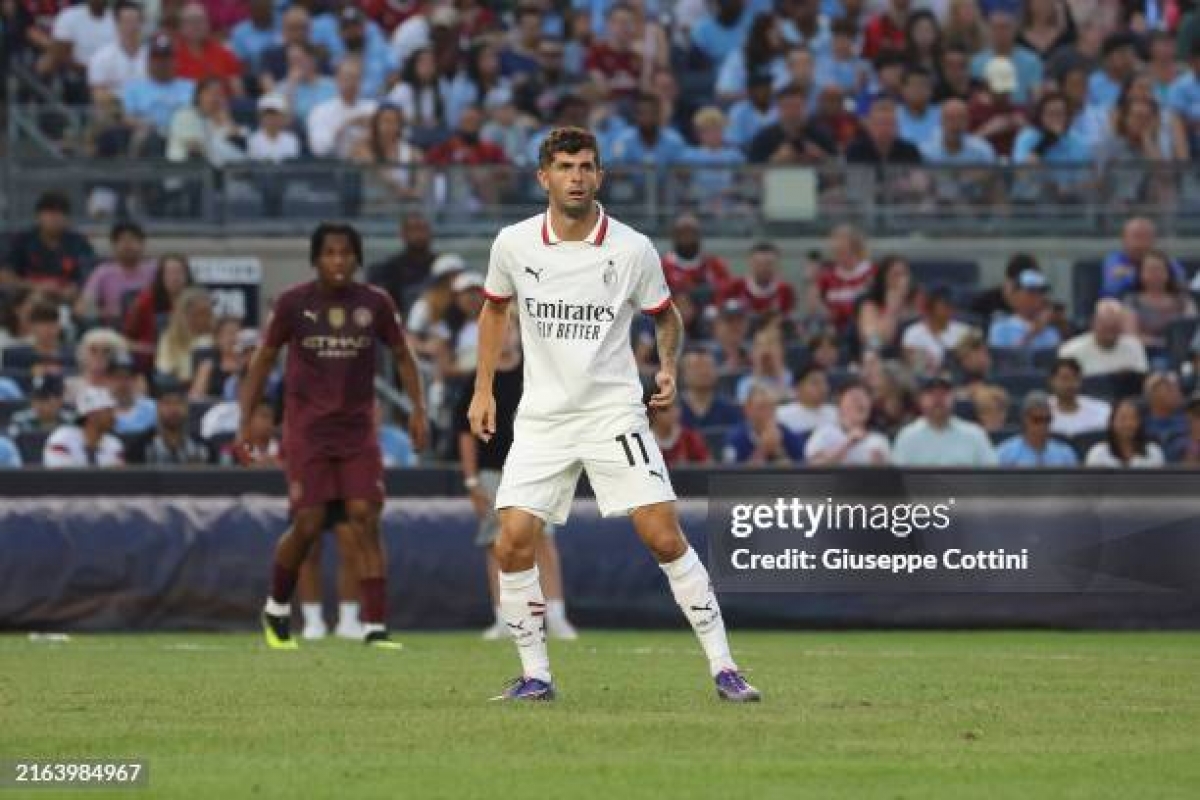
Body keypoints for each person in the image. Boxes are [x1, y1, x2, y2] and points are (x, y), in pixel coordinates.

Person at [467, 127, 759, 702]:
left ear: (600, 176)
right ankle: (536, 676)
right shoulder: (513, 244)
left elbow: (665, 315)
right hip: (544, 420)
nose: (575, 176)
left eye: (585, 167)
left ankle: (725, 668)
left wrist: (668, 366)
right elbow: (492, 311)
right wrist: (483, 390)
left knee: (662, 534)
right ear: (543, 177)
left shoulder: (631, 248)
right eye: (565, 166)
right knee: (511, 541)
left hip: (613, 415)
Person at [239, 222, 428, 650]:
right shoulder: (292, 304)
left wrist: (418, 409)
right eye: (330, 253)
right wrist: (246, 420)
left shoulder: (375, 303)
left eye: (346, 253)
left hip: (358, 429)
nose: (338, 261)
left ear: (357, 258)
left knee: (365, 515)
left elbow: (402, 354)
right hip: (308, 430)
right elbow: (263, 359)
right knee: (308, 523)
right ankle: (277, 606)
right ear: (315, 258)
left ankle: (375, 626)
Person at [455, 321, 578, 641]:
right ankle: (504, 617)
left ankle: (555, 614)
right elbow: (464, 433)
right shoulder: (479, 380)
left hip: (536, 467)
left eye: (511, 328)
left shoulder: (537, 372)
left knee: (543, 539)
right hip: (493, 472)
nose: (506, 334)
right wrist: (471, 481)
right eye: (501, 328)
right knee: (497, 544)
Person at [2, 191, 95, 300]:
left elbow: (90, 275)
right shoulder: (22, 241)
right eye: (50, 213)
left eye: (61, 213)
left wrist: (75, 288)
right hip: (28, 296)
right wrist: (36, 286)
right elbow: (4, 275)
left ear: (67, 219)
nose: (55, 218)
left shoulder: (79, 243)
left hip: (67, 298)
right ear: (38, 216)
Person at [892, 374, 997, 466]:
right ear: (920, 399)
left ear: (953, 398)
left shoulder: (975, 434)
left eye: (944, 393)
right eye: (931, 394)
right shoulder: (907, 437)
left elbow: (991, 477)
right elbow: (897, 481)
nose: (938, 399)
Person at [75, 220, 156, 327]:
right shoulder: (103, 272)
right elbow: (81, 308)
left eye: (133, 240)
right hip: (114, 328)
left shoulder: (155, 270)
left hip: (151, 327)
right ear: (113, 246)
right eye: (122, 241)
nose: (128, 245)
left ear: (142, 244)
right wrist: (107, 313)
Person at [1124, 250, 1198, 350]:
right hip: (1144, 354)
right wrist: (1162, 343)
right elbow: (1131, 336)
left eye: (1159, 269)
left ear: (1168, 273)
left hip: (1180, 352)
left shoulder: (1182, 300)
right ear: (1140, 273)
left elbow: (1193, 327)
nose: (1155, 274)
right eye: (1150, 270)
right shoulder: (1132, 301)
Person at [804, 381, 891, 465]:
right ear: (840, 403)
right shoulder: (825, 433)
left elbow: (888, 475)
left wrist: (878, 463)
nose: (860, 403)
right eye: (854, 398)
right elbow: (814, 467)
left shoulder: (879, 440)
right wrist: (847, 443)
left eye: (865, 398)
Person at [1059, 299, 1149, 377]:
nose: (1110, 332)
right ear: (1093, 323)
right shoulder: (1071, 350)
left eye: (1114, 326)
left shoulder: (1134, 346)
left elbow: (1142, 378)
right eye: (1105, 325)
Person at [1101, 217, 1186, 300]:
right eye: (1136, 237)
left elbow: (1179, 280)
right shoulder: (1115, 259)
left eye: (1146, 237)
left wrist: (1130, 273)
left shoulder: (1163, 259)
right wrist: (1154, 275)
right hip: (1125, 308)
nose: (1140, 243)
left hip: (1163, 307)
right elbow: (1112, 289)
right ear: (1124, 239)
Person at [724, 383, 807, 464]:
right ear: (747, 409)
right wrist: (762, 450)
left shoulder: (788, 434)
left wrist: (778, 451)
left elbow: (800, 471)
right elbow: (733, 475)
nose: (768, 413)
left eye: (771, 407)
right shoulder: (735, 438)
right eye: (762, 407)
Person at [132, 378, 210, 464]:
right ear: (158, 408)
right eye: (167, 403)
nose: (173, 409)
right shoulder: (141, 447)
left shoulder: (201, 445)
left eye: (179, 403)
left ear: (187, 408)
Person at [43, 386, 125, 468]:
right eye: (108, 411)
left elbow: (118, 478)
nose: (113, 416)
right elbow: (61, 478)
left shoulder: (114, 445)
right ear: (92, 415)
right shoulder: (62, 439)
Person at [996, 390, 1079, 467]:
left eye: (1047, 419)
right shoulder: (1005, 453)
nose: (1043, 425)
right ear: (1025, 419)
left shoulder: (1065, 454)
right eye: (1037, 420)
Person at [901, 285, 973, 373]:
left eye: (951, 304)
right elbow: (917, 368)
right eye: (945, 304)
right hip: (927, 382)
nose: (950, 308)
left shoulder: (965, 331)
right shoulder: (913, 333)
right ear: (930, 306)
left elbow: (974, 364)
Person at [987, 269, 1061, 352]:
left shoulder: (1051, 332)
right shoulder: (1001, 328)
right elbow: (1003, 360)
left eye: (1041, 292)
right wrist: (1031, 334)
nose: (1037, 297)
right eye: (1031, 292)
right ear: (1016, 296)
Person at [1084, 398, 1165, 467]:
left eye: (1133, 418)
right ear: (1111, 422)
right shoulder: (1098, 453)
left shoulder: (1153, 451)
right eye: (1123, 419)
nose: (1128, 424)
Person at [678, 349, 743, 430]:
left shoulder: (730, 409)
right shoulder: (672, 410)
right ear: (683, 374)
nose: (703, 371)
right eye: (696, 367)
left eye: (708, 366)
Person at [1047, 357, 1111, 437]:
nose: (1069, 384)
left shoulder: (1102, 410)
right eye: (1064, 379)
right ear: (1051, 381)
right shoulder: (1039, 412)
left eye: (1075, 379)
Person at [776, 365, 837, 436]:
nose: (823, 388)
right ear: (797, 388)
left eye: (824, 383)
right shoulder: (781, 415)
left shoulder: (835, 413)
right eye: (815, 383)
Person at [7, 374, 72, 439]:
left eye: (44, 399)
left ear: (59, 401)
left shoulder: (70, 422)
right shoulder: (20, 420)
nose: (38, 404)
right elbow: (11, 441)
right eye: (35, 399)